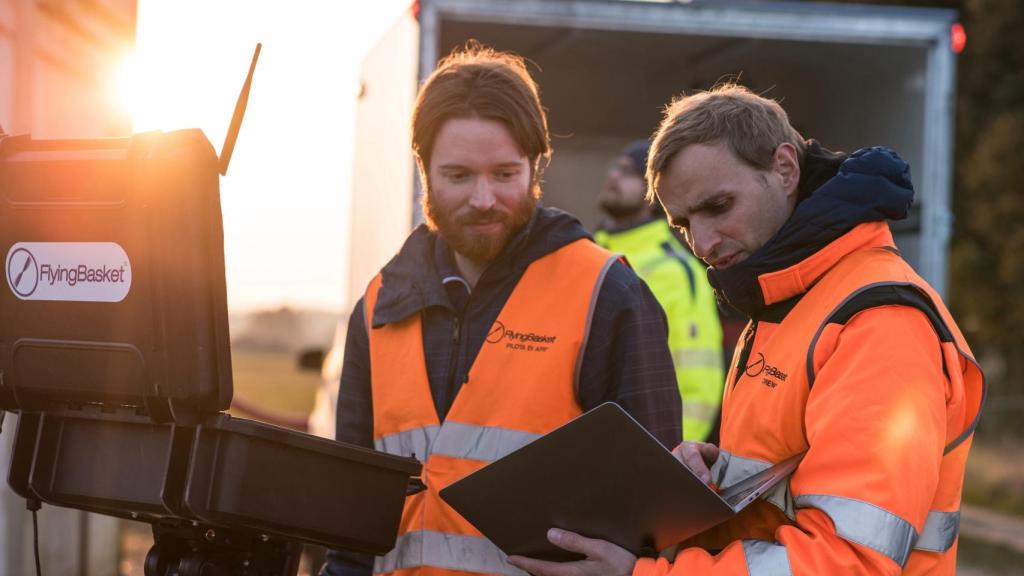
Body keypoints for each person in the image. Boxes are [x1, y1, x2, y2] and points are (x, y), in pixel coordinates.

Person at [507, 84, 985, 576]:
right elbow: (786, 490)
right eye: (683, 225)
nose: (704, 244)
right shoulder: (786, 298)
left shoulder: (878, 323)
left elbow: (847, 562)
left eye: (718, 207)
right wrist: (715, 474)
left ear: (784, 168)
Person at [320, 45, 681, 576]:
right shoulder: (377, 307)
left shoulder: (608, 293)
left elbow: (659, 521)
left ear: (537, 164)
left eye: (505, 174)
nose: (484, 198)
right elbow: (348, 529)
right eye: (459, 175)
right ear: (423, 169)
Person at [594, 140, 724, 442]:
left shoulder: (678, 271)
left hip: (644, 449)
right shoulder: (587, 253)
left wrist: (672, 456)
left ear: (654, 191)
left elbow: (698, 378)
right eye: (615, 167)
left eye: (628, 173)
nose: (613, 176)